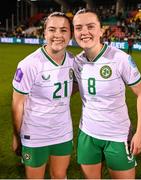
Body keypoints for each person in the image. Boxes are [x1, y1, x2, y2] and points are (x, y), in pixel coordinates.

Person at [73, 9, 141, 179]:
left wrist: (140, 133)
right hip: (87, 134)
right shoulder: (76, 62)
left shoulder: (120, 59)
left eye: (90, 26)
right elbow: (69, 91)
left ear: (101, 30)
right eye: (78, 28)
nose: (84, 32)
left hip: (117, 136)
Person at [12, 12, 74, 179]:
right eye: (52, 30)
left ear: (71, 34)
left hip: (63, 132)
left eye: (63, 30)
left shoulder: (73, 61)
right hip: (35, 134)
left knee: (60, 176)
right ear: (44, 33)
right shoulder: (29, 64)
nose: (58, 35)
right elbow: (17, 104)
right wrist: (17, 137)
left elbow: (73, 86)